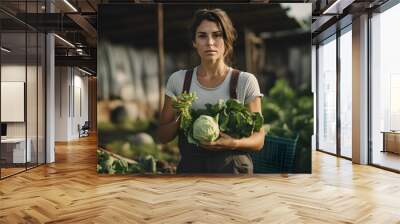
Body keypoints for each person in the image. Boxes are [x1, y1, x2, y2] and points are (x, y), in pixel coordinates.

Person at [156, 8, 265, 174]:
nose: (210, 42)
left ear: (227, 40)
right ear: (194, 42)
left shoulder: (245, 81)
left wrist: (234, 143)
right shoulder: (179, 81)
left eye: (217, 35)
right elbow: (162, 136)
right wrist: (180, 116)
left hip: (233, 170)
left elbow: (259, 140)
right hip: (191, 170)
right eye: (202, 36)